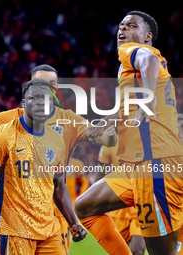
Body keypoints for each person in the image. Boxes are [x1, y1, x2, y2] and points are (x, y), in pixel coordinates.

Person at [0, 64, 117, 252]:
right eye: (41, 83)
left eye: (52, 84)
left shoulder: (68, 121)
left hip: (56, 216)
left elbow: (104, 138)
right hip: (16, 220)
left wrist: (111, 132)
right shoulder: (10, 122)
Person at [75, 11, 183, 255]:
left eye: (131, 25)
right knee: (84, 207)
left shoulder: (135, 53)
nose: (122, 30)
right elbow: (126, 109)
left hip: (156, 164)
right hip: (135, 165)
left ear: (147, 36)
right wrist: (106, 121)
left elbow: (148, 61)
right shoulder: (128, 72)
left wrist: (148, 99)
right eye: (121, 26)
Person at [0, 79, 86, 255]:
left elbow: (58, 187)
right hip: (13, 231)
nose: (41, 102)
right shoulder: (4, 134)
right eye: (34, 98)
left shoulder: (57, 140)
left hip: (49, 231)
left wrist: (73, 223)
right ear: (24, 102)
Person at [95, 141, 146, 255]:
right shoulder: (109, 146)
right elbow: (99, 176)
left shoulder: (146, 142)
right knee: (118, 252)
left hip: (139, 205)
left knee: (138, 250)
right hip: (118, 205)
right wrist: (96, 202)